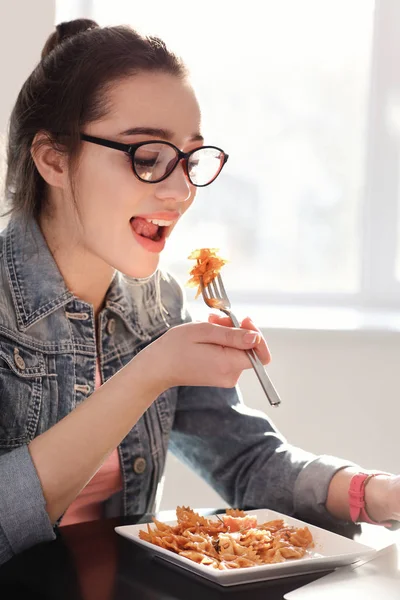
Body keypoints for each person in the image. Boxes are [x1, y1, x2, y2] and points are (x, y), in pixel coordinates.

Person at [0, 19, 398, 566]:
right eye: (147, 156)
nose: (182, 190)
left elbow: (248, 462)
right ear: (53, 160)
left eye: (189, 158)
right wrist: (149, 374)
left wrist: (375, 493)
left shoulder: (157, 302)